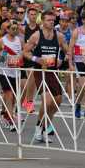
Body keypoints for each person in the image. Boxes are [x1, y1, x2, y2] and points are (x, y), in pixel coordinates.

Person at [22, 11, 67, 143]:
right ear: (42, 21)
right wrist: (37, 59)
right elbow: (25, 52)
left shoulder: (59, 36)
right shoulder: (36, 35)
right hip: (40, 71)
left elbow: (67, 51)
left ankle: (44, 126)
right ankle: (38, 129)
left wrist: (61, 59)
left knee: (57, 101)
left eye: (53, 20)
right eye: (48, 20)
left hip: (53, 72)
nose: (51, 22)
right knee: (47, 101)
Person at [0, 19, 23, 131]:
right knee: (8, 95)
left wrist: (20, 59)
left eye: (16, 28)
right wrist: (0, 58)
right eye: (12, 29)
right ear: (7, 29)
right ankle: (9, 119)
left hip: (16, 72)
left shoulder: (19, 40)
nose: (15, 30)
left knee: (13, 97)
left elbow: (22, 53)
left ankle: (5, 114)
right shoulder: (1, 41)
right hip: (4, 72)